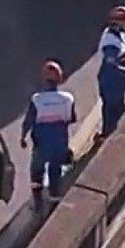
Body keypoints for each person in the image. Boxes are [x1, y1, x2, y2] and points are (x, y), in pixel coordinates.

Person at [21, 60, 77, 209]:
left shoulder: (37, 99)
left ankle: (38, 202)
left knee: (36, 172)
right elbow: (72, 118)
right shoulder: (68, 99)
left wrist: (23, 137)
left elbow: (28, 121)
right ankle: (54, 202)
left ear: (44, 79)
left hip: (41, 144)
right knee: (55, 172)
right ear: (59, 79)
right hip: (60, 144)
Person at [96, 6, 125, 142]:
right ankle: (107, 135)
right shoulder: (111, 43)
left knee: (117, 107)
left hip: (118, 79)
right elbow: (113, 63)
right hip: (111, 80)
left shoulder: (120, 34)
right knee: (112, 109)